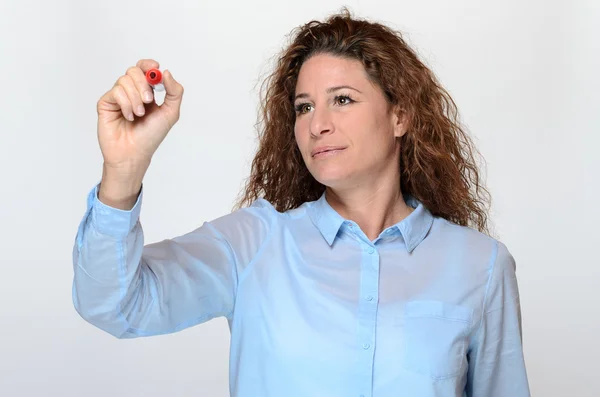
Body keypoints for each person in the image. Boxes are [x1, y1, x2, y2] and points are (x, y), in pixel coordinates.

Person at [72, 8, 530, 397]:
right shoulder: (253, 244)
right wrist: (123, 173)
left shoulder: (481, 266)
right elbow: (115, 305)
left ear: (400, 115)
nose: (317, 125)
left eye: (343, 100)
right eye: (304, 107)